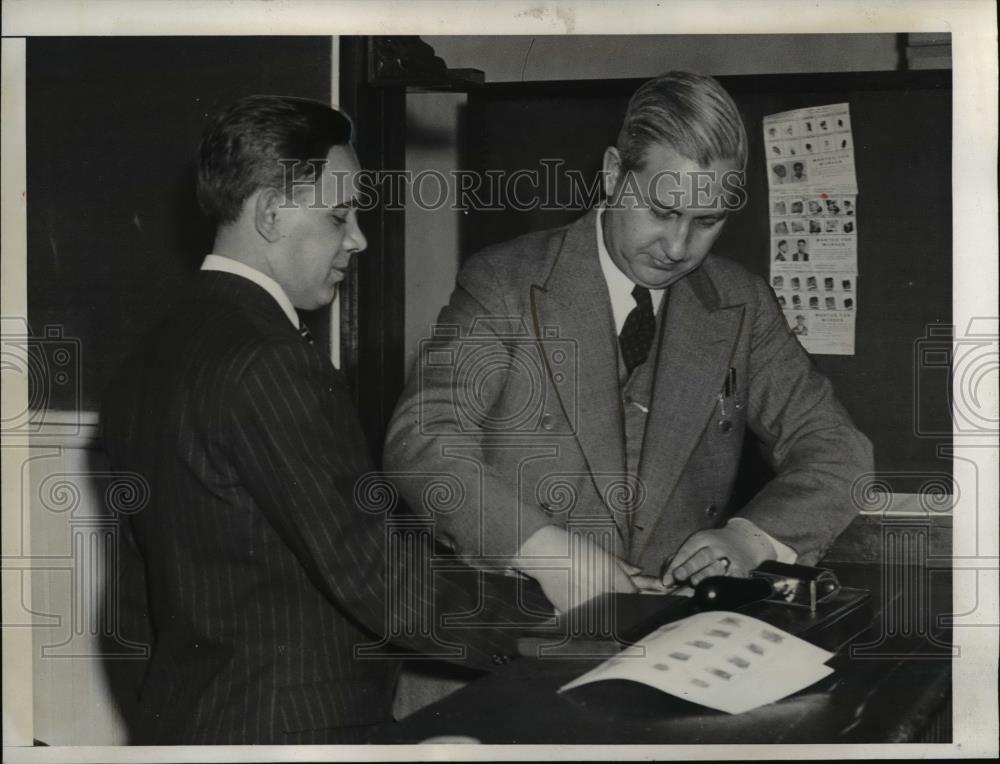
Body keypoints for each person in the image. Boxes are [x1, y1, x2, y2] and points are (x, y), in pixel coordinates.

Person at [100, 96, 551, 745]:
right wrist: (563, 619)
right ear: (271, 213)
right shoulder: (272, 363)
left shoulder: (148, 357)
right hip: (301, 732)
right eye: (340, 214)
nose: (359, 237)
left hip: (192, 723)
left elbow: (134, 603)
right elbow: (374, 574)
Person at [384, 71, 872, 614]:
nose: (678, 246)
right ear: (615, 174)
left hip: (671, 633)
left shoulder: (742, 304)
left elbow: (838, 452)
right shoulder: (506, 283)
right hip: (519, 630)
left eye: (707, 221)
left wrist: (750, 540)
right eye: (662, 212)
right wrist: (547, 554)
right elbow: (422, 445)